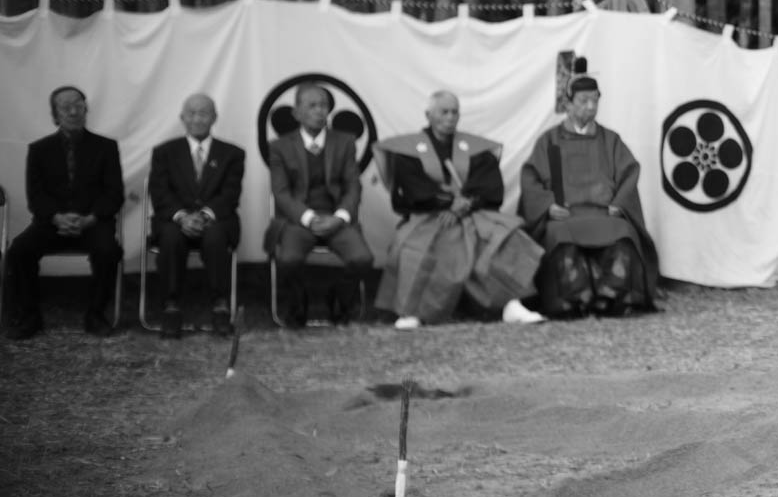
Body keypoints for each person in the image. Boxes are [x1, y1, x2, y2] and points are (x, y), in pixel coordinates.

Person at [373, 92, 545, 329]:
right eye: (444, 112)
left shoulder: (473, 148)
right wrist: (446, 201)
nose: (450, 117)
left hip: (471, 214)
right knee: (417, 247)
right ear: (428, 115)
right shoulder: (410, 150)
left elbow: (488, 185)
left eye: (455, 112)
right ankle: (412, 311)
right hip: (430, 215)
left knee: (506, 237)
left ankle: (510, 304)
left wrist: (466, 204)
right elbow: (412, 188)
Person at [519, 73, 662, 317]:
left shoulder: (610, 140)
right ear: (568, 104)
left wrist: (619, 204)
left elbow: (630, 171)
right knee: (558, 236)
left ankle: (613, 297)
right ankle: (574, 300)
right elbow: (531, 177)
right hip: (566, 215)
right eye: (584, 101)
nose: (591, 107)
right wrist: (548, 206)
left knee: (624, 234)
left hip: (604, 213)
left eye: (595, 100)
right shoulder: (550, 141)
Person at [4, 86, 126, 339]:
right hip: (52, 223)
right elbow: (35, 196)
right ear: (55, 115)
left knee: (109, 251)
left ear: (86, 109)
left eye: (78, 105)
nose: (73, 111)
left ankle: (96, 315)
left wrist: (89, 219)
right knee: (19, 250)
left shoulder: (106, 147)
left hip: (93, 222)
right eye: (65, 107)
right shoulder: (39, 149)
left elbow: (114, 193)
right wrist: (57, 217)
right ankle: (29, 315)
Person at [266, 81, 375, 326]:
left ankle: (338, 298)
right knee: (288, 260)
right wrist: (308, 218)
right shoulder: (280, 147)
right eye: (312, 105)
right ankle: (298, 303)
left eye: (324, 105)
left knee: (363, 259)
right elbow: (281, 193)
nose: (319, 111)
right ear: (296, 113)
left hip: (336, 218)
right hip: (298, 221)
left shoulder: (345, 142)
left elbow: (353, 186)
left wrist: (340, 217)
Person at [147, 93, 245, 338]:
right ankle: (171, 308)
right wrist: (182, 217)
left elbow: (230, 194)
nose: (198, 119)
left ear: (214, 118)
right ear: (182, 118)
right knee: (170, 237)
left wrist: (203, 216)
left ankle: (220, 306)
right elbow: (159, 193)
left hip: (216, 221)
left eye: (204, 113)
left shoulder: (232, 154)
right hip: (174, 220)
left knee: (215, 237)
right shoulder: (164, 152)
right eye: (191, 113)